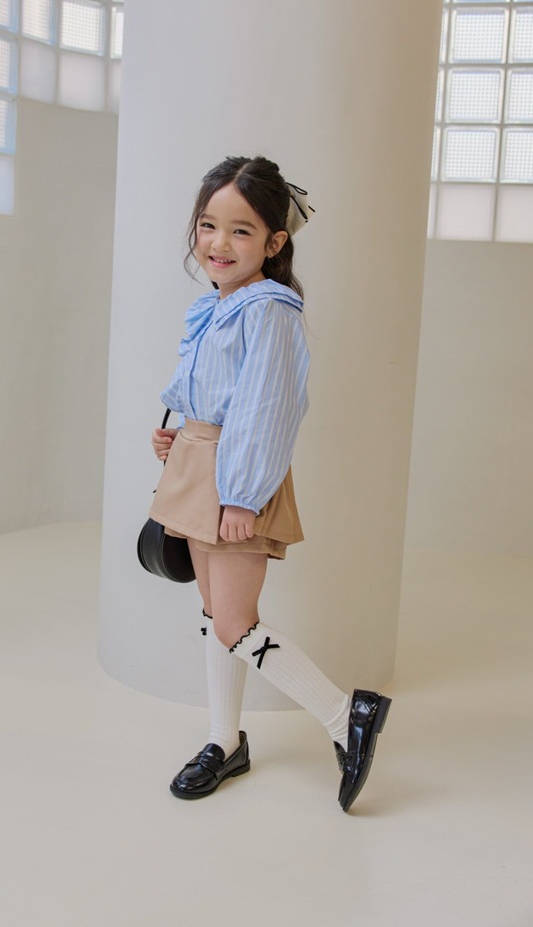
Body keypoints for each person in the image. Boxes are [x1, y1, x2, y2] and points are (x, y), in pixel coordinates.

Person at [150, 155, 391, 812]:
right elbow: (210, 393)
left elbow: (268, 409)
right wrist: (178, 437)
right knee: (215, 617)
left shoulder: (269, 311)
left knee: (234, 621)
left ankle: (347, 714)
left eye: (241, 230)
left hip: (235, 477)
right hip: (198, 465)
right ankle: (224, 741)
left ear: (275, 242)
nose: (218, 243)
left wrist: (242, 496)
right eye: (208, 225)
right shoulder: (214, 307)